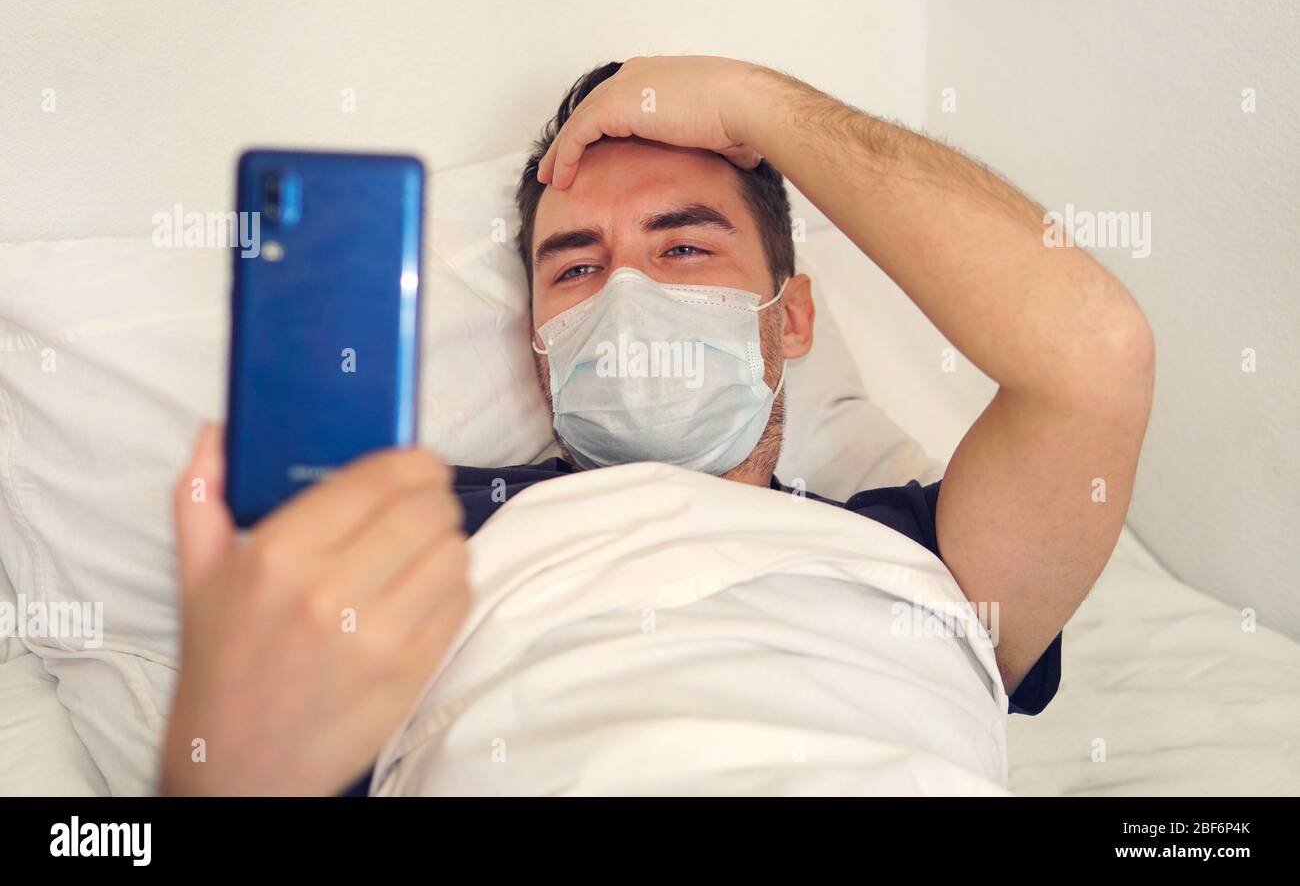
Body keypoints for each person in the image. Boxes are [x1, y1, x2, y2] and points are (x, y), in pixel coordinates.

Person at [163, 57, 1154, 796]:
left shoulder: (927, 546)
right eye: (578, 266)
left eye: (684, 245)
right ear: (538, 339)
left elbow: (1093, 355)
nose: (628, 296)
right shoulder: (413, 522)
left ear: (793, 316)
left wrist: (753, 101)